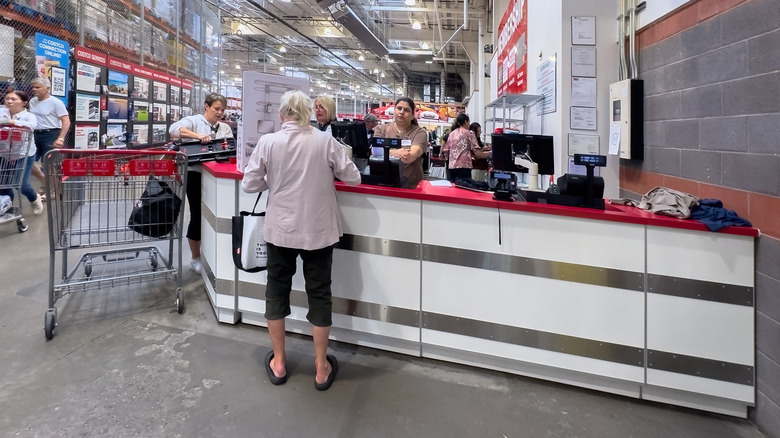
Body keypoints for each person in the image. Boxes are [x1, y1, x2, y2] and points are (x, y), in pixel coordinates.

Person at [241, 90, 360, 391]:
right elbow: (354, 177)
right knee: (319, 292)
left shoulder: (269, 142)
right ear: (308, 113)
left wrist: (276, 179)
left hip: (280, 229)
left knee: (276, 290)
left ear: (282, 114)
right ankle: (321, 366)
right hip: (319, 230)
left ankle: (279, 361)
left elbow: (249, 184)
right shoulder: (325, 141)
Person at [169, 93, 233, 273]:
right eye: (216, 109)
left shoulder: (225, 128)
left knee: (217, 214)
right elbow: (174, 129)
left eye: (222, 110)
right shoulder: (194, 121)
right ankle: (195, 257)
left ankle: (213, 253)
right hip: (195, 175)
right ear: (206, 106)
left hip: (219, 177)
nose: (220, 113)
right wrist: (199, 136)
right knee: (197, 214)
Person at [370, 97, 429, 189]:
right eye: (399, 108)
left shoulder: (419, 133)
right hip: (383, 183)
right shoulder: (381, 129)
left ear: (412, 115)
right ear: (394, 110)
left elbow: (408, 157)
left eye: (406, 110)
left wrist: (385, 151)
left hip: (411, 186)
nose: (401, 112)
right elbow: (375, 151)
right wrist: (395, 152)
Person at [0, 90, 43, 215]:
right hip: (4, 152)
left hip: (24, 153)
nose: (9, 101)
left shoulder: (29, 116)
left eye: (14, 99)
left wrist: (13, 122)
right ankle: (6, 206)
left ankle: (34, 199)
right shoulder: (2, 112)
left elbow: (31, 125)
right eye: (7, 98)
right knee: (3, 184)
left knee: (21, 185)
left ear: (24, 103)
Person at [28, 77, 70, 201]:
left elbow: (66, 121)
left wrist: (61, 138)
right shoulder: (32, 101)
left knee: (49, 165)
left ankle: (51, 191)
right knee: (29, 162)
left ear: (47, 88)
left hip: (51, 134)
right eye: (33, 87)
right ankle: (46, 183)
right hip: (35, 134)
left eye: (37, 87)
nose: (34, 89)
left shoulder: (56, 102)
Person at [442, 113, 489, 182]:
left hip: (451, 167)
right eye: (469, 122)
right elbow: (477, 153)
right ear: (466, 122)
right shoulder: (469, 133)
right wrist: (490, 153)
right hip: (464, 167)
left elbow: (446, 151)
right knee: (464, 189)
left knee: (453, 189)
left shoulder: (452, 134)